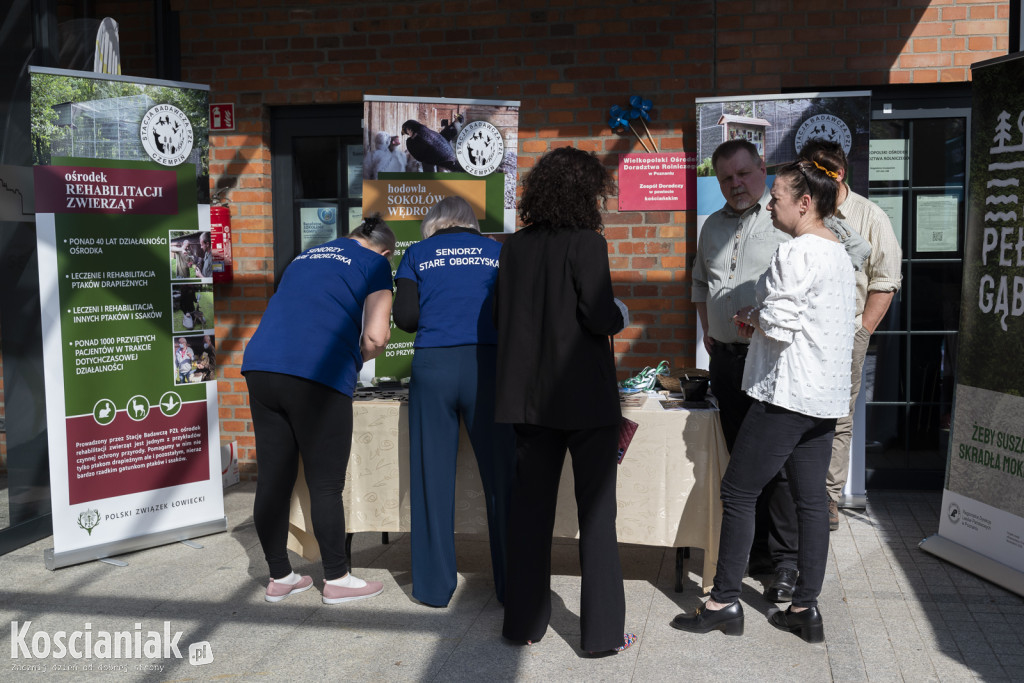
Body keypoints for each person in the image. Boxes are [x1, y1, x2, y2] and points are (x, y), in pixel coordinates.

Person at [671, 158, 856, 643]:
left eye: (777, 197)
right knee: (811, 501)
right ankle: (804, 609)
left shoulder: (797, 251)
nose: (770, 203)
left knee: (737, 490)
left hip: (787, 393)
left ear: (805, 202)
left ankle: (722, 601)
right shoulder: (838, 252)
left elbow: (784, 321)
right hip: (824, 395)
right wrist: (767, 311)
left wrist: (757, 316)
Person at [494, 146, 635, 655]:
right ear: (586, 193)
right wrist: (618, 312)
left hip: (528, 403)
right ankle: (601, 637)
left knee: (529, 516)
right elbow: (599, 316)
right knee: (597, 518)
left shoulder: (514, 247)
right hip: (585, 401)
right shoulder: (588, 244)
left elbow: (499, 318)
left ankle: (522, 625)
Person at [241, 215, 395, 604]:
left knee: (274, 478)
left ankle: (280, 576)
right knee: (325, 483)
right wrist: (354, 357)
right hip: (317, 372)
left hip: (260, 366)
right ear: (387, 252)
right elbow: (377, 336)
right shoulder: (375, 264)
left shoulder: (303, 257)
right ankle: (337, 578)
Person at [392, 195, 515, 608]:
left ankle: (432, 587)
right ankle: (512, 586)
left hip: (434, 367)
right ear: (470, 222)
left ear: (434, 223)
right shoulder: (498, 252)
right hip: (488, 365)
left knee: (431, 479)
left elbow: (406, 319)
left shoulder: (417, 254)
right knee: (503, 480)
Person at [691, 139, 793, 593]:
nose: (736, 185)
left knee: (777, 463)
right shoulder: (711, 226)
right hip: (727, 362)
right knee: (737, 461)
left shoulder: (785, 221)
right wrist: (708, 332)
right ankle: (751, 552)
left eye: (743, 174)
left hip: (770, 362)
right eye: (726, 178)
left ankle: (782, 561)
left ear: (762, 169)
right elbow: (700, 283)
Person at [798, 139, 902, 530]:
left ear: (837, 174)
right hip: (802, 335)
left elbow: (887, 279)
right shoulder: (805, 209)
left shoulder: (870, 216)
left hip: (846, 332)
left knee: (838, 418)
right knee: (797, 415)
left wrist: (862, 331)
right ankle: (798, 496)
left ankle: (826, 499)